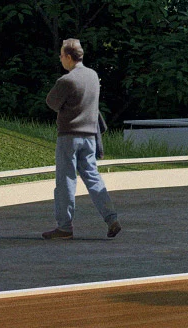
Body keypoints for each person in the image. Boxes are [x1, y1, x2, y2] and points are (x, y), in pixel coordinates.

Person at [42, 37, 120, 240]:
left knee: (66, 181)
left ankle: (64, 227)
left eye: (61, 55)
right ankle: (111, 218)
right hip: (90, 137)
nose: (60, 59)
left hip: (69, 136)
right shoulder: (93, 76)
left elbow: (51, 102)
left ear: (68, 57)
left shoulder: (66, 81)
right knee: (93, 179)